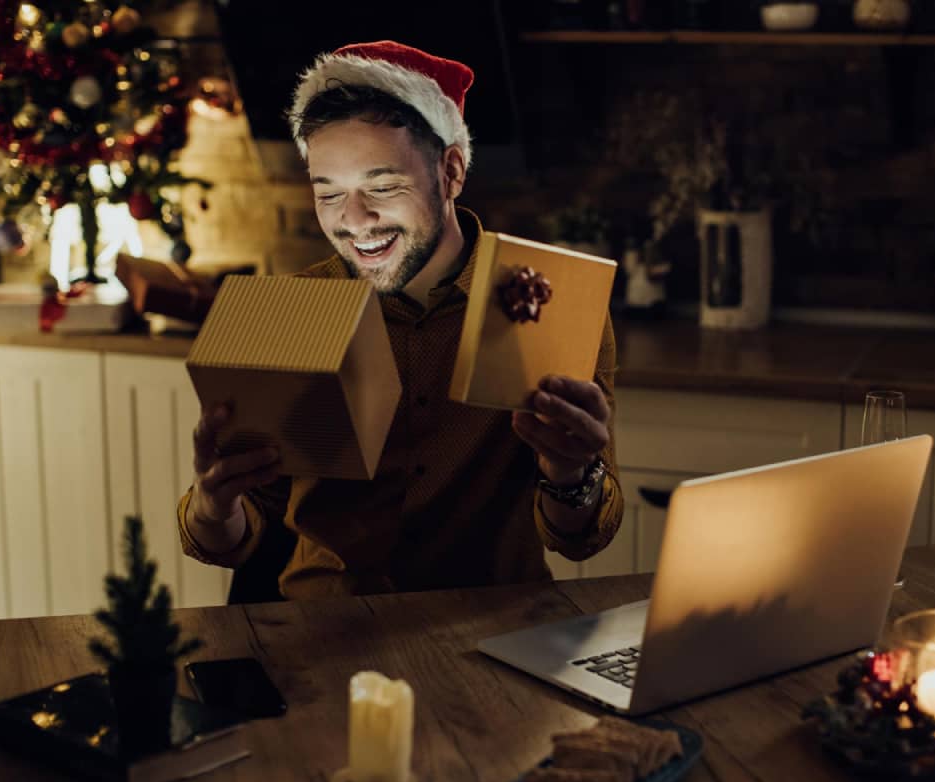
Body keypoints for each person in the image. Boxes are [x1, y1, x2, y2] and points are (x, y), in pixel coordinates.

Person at [177, 41, 623, 599]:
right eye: (329, 193)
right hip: (320, 632)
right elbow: (232, 538)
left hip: (490, 628)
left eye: (382, 187)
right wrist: (214, 503)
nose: (353, 221)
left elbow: (584, 539)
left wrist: (571, 475)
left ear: (452, 170)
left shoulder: (546, 299)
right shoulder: (290, 311)